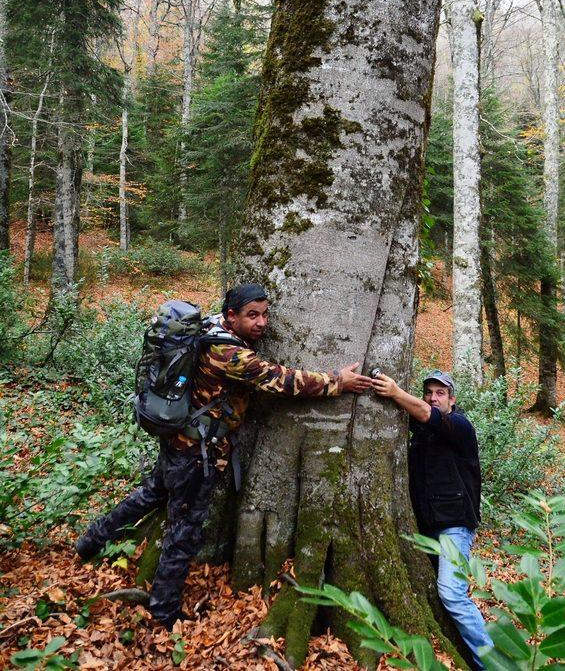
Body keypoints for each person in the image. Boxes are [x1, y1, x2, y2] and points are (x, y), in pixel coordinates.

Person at [75, 283, 372, 630]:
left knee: (151, 493)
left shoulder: (209, 328)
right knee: (183, 532)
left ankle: (91, 541)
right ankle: (163, 612)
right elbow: (280, 380)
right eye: (252, 315)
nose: (262, 322)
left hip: (178, 442)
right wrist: (337, 381)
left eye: (265, 314)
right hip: (197, 455)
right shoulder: (230, 355)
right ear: (232, 316)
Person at [372, 368, 491, 670]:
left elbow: (427, 414)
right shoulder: (423, 433)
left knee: (452, 594)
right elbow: (419, 415)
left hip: (454, 526)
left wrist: (395, 392)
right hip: (426, 528)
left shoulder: (460, 426)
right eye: (429, 392)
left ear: (452, 398)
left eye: (440, 393)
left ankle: (491, 663)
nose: (433, 398)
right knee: (434, 595)